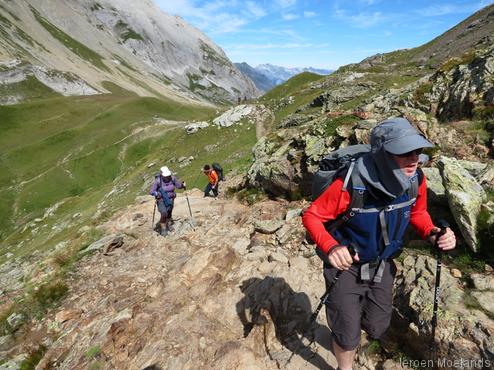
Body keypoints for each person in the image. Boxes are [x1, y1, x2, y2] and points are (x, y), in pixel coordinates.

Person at [302, 117, 456, 370]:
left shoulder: (416, 178)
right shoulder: (351, 184)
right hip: (346, 267)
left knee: (377, 325)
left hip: (383, 264)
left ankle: (350, 327)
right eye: (404, 152)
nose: (414, 158)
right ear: (383, 154)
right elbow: (312, 216)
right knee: (347, 333)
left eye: (417, 150)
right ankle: (345, 359)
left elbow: (418, 213)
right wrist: (331, 247)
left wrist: (433, 232)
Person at [150, 166, 186, 236]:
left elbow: (178, 186)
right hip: (161, 200)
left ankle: (168, 224)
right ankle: (163, 228)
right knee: (164, 213)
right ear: (161, 175)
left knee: (169, 213)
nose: (167, 177)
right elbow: (152, 191)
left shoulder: (172, 178)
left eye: (168, 175)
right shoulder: (158, 181)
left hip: (171, 199)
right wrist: (157, 194)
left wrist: (183, 185)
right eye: (165, 175)